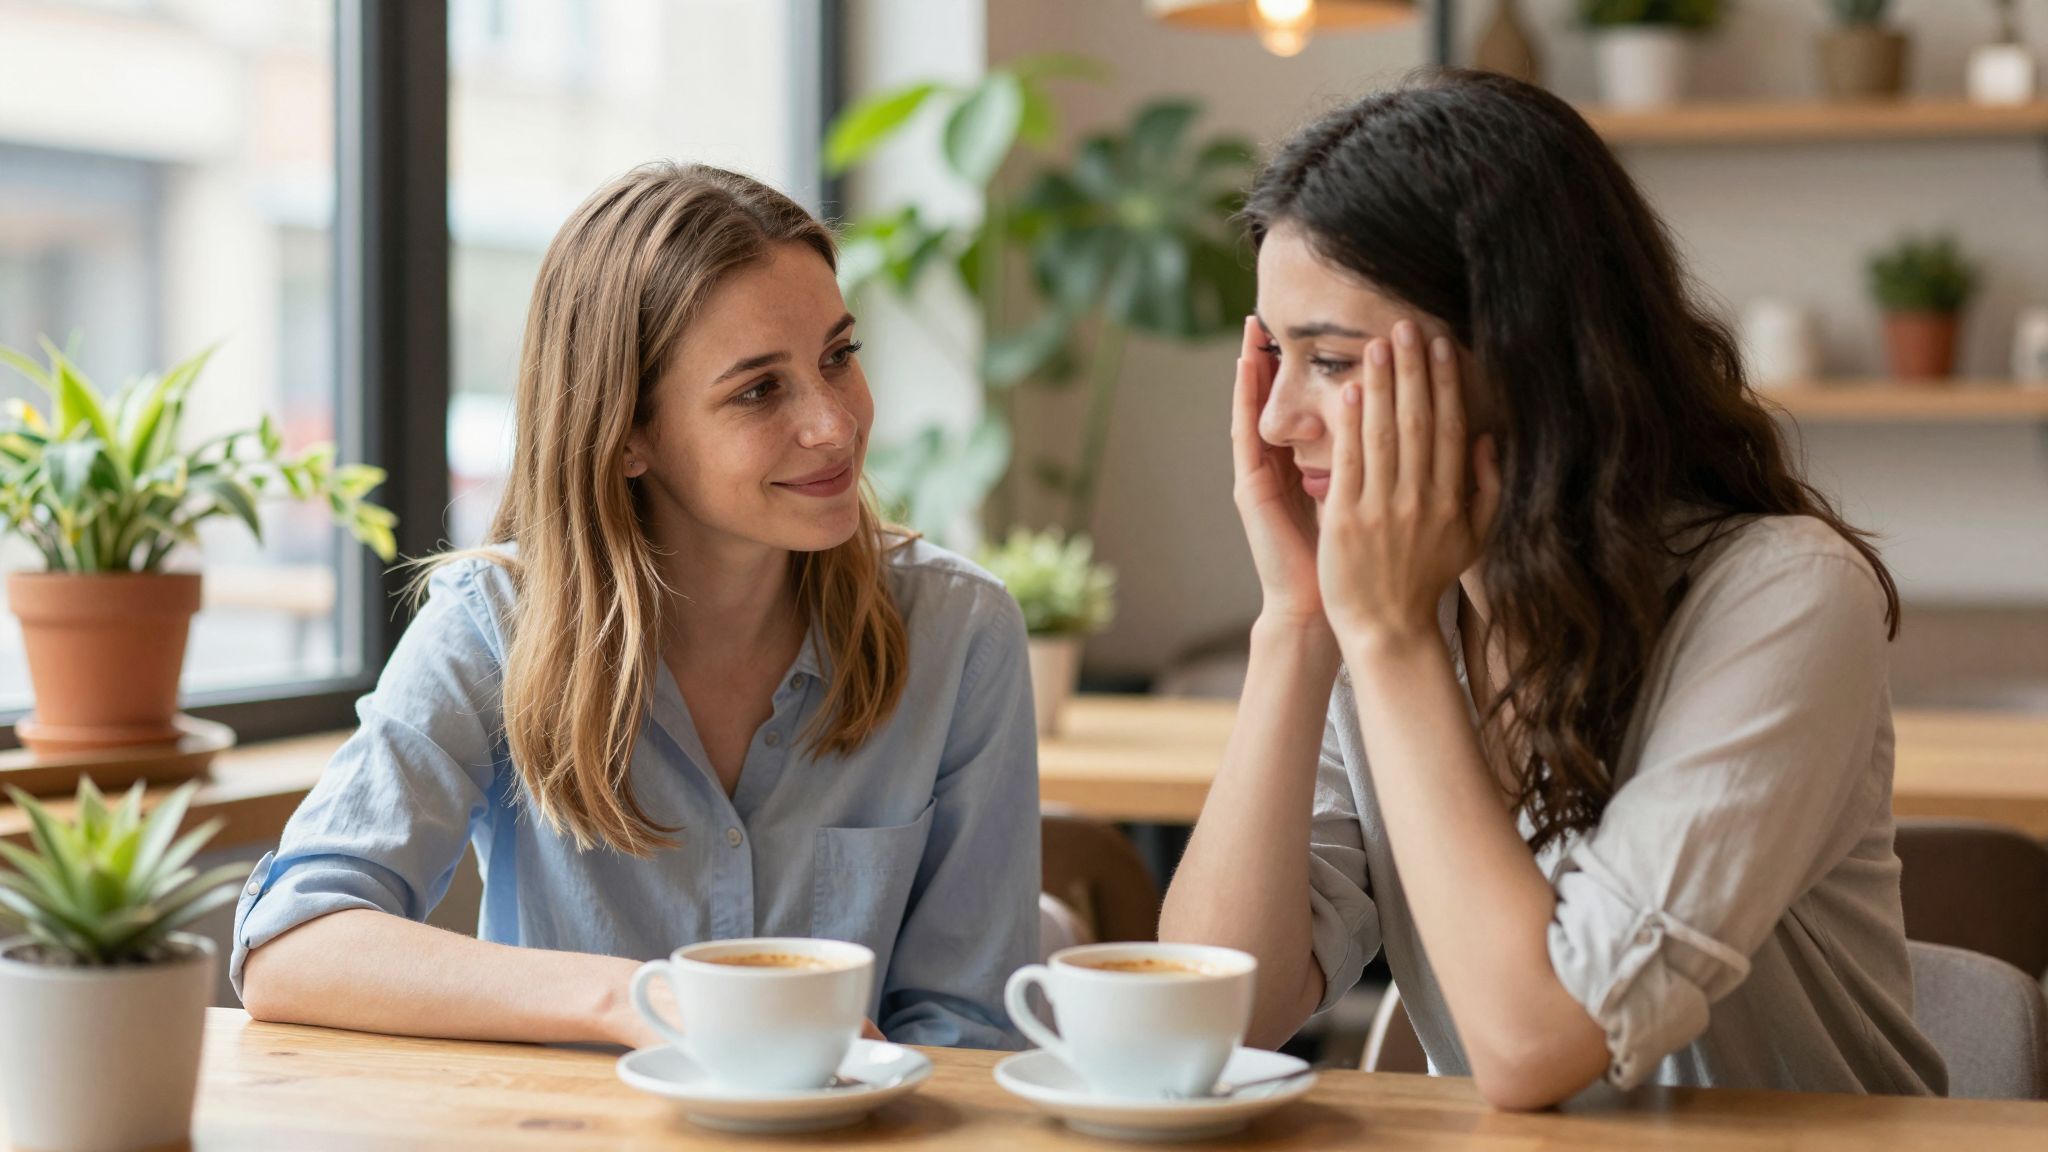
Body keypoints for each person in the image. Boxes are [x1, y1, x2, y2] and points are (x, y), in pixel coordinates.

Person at [1159, 71, 1946, 1107]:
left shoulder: (1786, 596)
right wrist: (1297, 620)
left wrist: (1386, 639)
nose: (1274, 422)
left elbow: (1534, 1046)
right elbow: (1212, 1011)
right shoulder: (1385, 608)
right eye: (1275, 360)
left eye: (1335, 364)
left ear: (1520, 356)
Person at [234, 163, 1039, 1051]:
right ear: (625, 435)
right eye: (759, 390)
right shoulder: (496, 623)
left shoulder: (961, 631)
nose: (835, 424)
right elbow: (291, 941)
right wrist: (635, 1002)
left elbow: (968, 1025)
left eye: (837, 357)